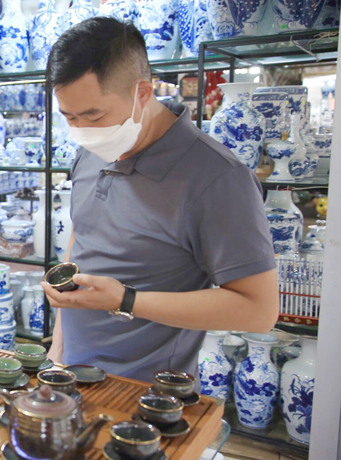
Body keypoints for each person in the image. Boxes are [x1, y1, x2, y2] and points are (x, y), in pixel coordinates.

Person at [41, 18, 279, 382]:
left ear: (142, 93)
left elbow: (259, 310)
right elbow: (83, 234)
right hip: (72, 374)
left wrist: (126, 300)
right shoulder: (91, 149)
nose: (82, 131)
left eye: (94, 116)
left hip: (150, 391)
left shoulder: (217, 177)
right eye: (69, 117)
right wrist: (58, 350)